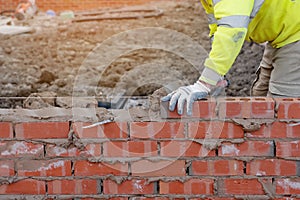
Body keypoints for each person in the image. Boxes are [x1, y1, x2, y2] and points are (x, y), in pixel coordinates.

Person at [162, 0, 300, 115]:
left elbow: (233, 30)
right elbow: (218, 27)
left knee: (283, 109)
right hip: (282, 34)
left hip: (295, 34)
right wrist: (217, 78)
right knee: (261, 99)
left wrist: (205, 83)